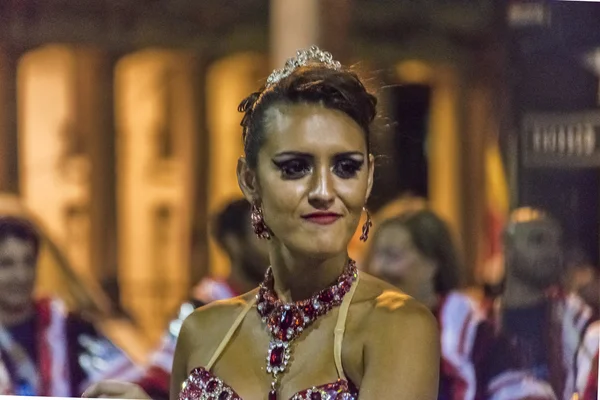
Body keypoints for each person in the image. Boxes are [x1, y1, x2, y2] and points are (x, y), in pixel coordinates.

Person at [84, 45, 440, 400]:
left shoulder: (399, 326)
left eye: (346, 168)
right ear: (250, 181)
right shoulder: (201, 333)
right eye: (295, 167)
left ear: (370, 178)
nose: (323, 191)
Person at [364, 209, 556, 400]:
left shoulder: (477, 338)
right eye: (376, 255)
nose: (377, 267)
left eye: (392, 256)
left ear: (432, 263)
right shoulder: (357, 332)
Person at [134, 198, 269, 400]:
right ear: (234, 243)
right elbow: (158, 383)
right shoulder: (202, 308)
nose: (274, 247)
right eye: (262, 235)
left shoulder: (284, 305)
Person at [0, 214, 136, 396]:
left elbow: (132, 390)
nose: (21, 275)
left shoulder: (73, 331)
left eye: (28, 262)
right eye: (7, 264)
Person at [501, 207, 599, 400]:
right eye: (538, 240)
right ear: (508, 247)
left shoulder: (577, 320)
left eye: (556, 242)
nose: (551, 251)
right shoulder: (476, 327)